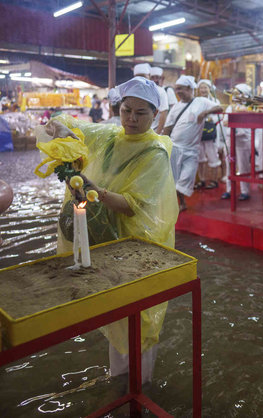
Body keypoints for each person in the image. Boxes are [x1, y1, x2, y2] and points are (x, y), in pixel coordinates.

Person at [47, 76, 178, 383]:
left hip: (137, 245)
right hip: (106, 239)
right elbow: (61, 126)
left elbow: (132, 206)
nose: (131, 118)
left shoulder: (154, 154)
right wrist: (62, 140)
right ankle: (120, 382)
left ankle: (140, 387)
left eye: (141, 113)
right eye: (126, 110)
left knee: (140, 317)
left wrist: (94, 190)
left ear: (155, 115)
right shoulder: (108, 137)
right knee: (117, 311)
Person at [163, 75, 222, 211]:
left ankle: (180, 200)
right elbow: (168, 127)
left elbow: (219, 108)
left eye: (180, 89)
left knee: (186, 178)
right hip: (175, 148)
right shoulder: (176, 107)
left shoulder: (201, 102)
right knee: (174, 180)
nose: (178, 92)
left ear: (190, 89)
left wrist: (205, 113)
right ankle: (181, 203)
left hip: (192, 150)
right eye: (176, 89)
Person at [221, 83, 253, 201]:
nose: (234, 95)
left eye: (237, 93)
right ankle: (229, 190)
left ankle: (245, 191)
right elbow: (225, 122)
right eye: (234, 93)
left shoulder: (249, 107)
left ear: (244, 94)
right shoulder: (230, 107)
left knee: (243, 166)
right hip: (230, 141)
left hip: (242, 141)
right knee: (230, 165)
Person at [195, 79, 222, 190]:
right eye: (201, 87)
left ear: (209, 88)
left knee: (212, 155)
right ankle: (202, 180)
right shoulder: (196, 100)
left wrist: (208, 116)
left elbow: (219, 115)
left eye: (205, 87)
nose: (203, 90)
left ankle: (214, 180)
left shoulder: (215, 101)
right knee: (200, 157)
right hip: (199, 132)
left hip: (211, 132)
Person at [133, 63, 169, 134]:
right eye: (138, 77)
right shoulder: (132, 91)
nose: (140, 79)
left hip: (153, 132)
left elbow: (163, 113)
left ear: (149, 76)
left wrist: (158, 134)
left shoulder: (159, 91)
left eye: (143, 76)